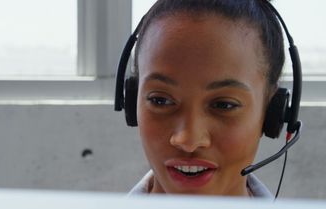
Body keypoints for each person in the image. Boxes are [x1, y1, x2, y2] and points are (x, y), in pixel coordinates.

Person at [123, 0, 290, 198]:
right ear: (133, 102)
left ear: (271, 112)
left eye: (223, 105)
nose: (188, 140)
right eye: (160, 100)